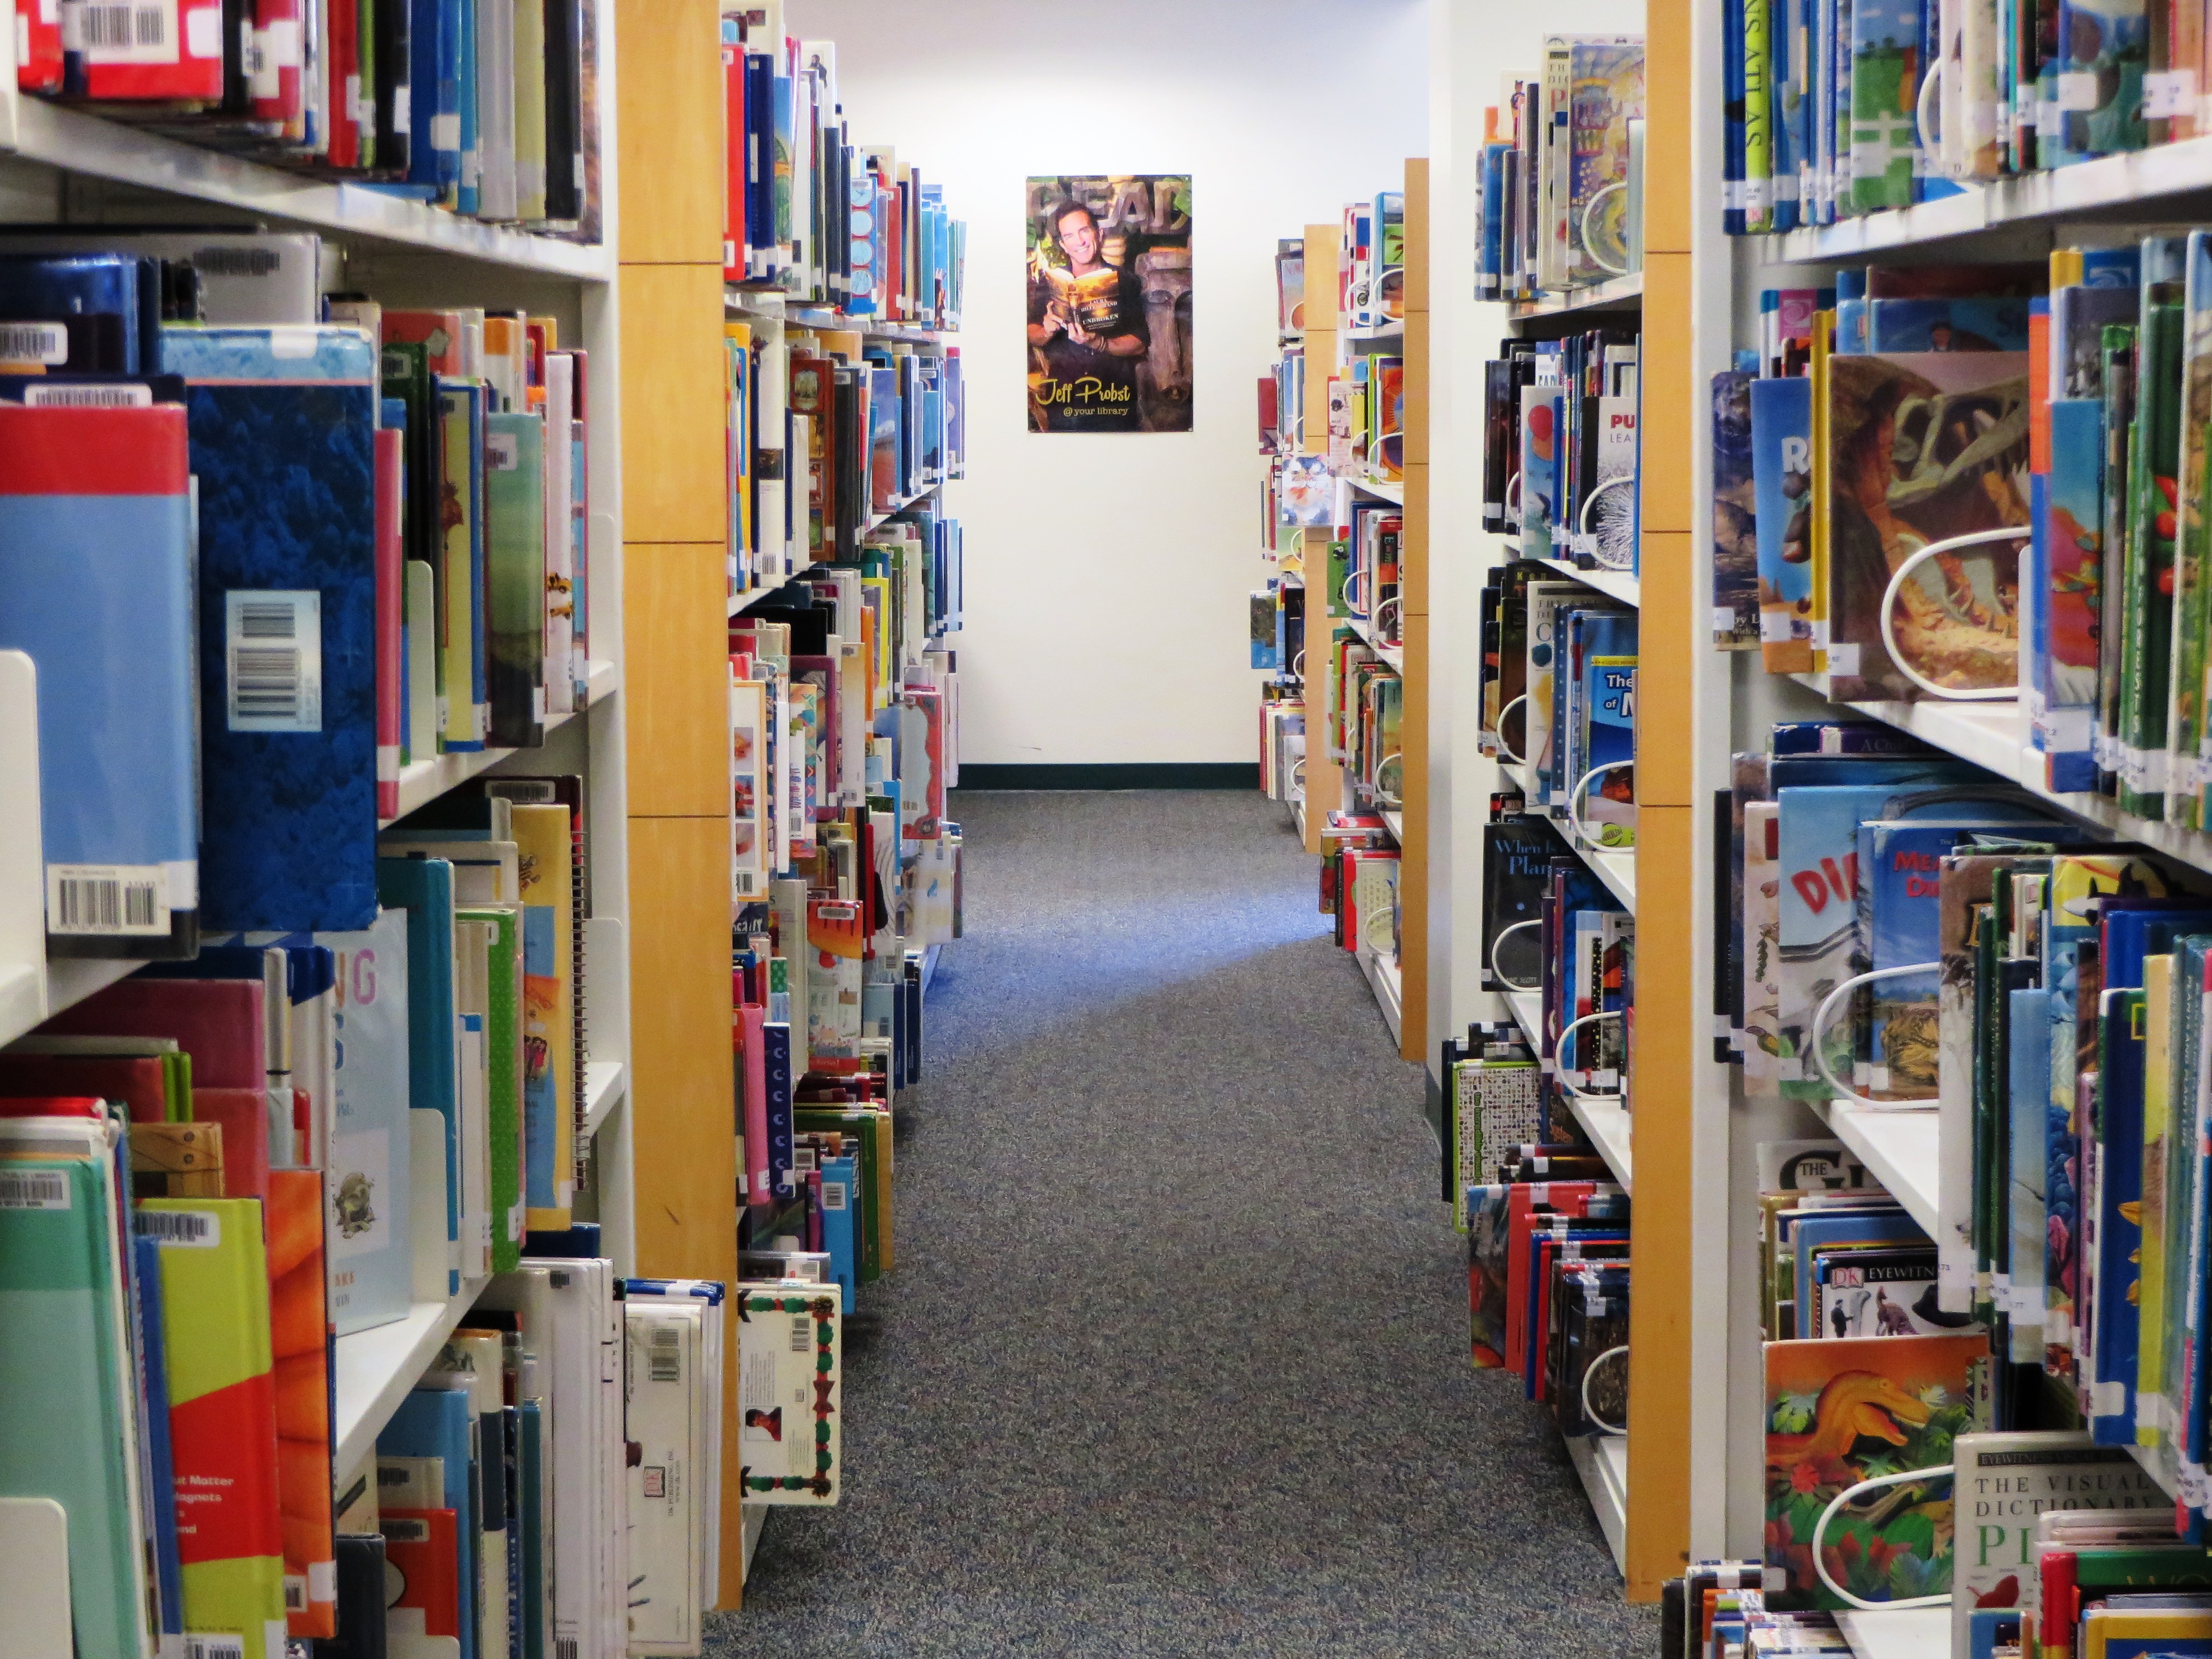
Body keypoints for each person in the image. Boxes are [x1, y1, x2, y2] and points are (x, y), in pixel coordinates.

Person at [1027, 199, 1147, 432]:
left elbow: (1140, 343)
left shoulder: (1126, 282)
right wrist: (1047, 331)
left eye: (1084, 231)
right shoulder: (1051, 282)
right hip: (1064, 400)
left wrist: (1100, 343)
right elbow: (1032, 334)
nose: (1079, 241)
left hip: (1113, 401)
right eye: (1070, 236)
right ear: (1063, 245)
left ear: (1099, 234)